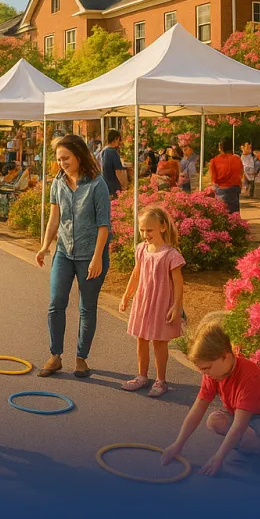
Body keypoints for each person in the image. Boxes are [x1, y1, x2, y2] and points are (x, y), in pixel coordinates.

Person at [162, 317, 260, 476]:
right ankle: (248, 447)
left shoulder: (249, 377)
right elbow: (197, 409)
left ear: (227, 356)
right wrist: (178, 444)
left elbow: (239, 426)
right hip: (246, 417)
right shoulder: (213, 374)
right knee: (214, 421)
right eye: (202, 369)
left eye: (207, 368)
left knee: (244, 436)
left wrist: (218, 458)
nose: (205, 373)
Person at [36, 134, 111, 379]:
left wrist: (97, 258)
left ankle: (81, 358)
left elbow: (103, 225)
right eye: (59, 159)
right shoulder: (58, 183)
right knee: (56, 304)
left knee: (86, 308)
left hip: (91, 254)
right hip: (64, 252)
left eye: (66, 158)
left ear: (79, 155)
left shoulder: (97, 184)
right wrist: (45, 246)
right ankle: (55, 355)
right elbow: (54, 218)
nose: (62, 163)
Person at [118, 206, 185, 398]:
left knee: (159, 341)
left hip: (161, 304)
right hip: (143, 301)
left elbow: (179, 283)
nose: (145, 234)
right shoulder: (141, 249)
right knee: (141, 338)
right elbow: (136, 274)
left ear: (163, 227)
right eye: (142, 230)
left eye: (149, 230)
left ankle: (161, 380)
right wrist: (126, 295)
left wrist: (176, 305)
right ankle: (142, 376)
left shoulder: (171, 255)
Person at [208, 138, 243, 214]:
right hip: (235, 188)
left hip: (222, 189)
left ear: (220, 148)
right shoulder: (237, 159)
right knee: (234, 214)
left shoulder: (215, 160)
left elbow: (213, 178)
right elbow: (241, 173)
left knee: (222, 213)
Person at [95, 129, 128, 197]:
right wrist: (125, 186)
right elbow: (118, 172)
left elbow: (97, 166)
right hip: (114, 188)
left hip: (104, 186)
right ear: (115, 139)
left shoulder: (102, 151)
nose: (120, 142)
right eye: (119, 139)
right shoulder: (113, 152)